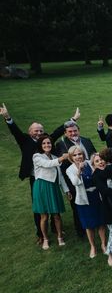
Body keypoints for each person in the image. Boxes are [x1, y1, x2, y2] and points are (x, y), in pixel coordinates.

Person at [0, 103, 70, 244]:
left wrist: (72, 120)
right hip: (36, 179)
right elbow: (15, 131)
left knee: (53, 206)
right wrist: (7, 117)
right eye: (36, 131)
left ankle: (55, 229)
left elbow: (56, 133)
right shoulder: (24, 140)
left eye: (41, 131)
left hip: (52, 177)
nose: (39, 133)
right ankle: (40, 234)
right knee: (39, 207)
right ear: (30, 131)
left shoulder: (46, 141)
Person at [66, 148, 107, 258]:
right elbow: (75, 182)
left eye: (80, 154)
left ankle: (104, 244)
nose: (78, 156)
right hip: (84, 200)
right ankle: (93, 246)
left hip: (97, 196)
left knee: (101, 222)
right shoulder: (70, 169)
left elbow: (102, 168)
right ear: (71, 157)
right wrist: (79, 171)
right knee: (89, 225)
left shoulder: (90, 162)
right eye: (75, 155)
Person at [32, 134, 70, 249]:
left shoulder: (54, 156)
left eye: (48, 143)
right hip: (42, 187)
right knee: (44, 216)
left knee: (56, 215)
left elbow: (60, 176)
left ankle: (60, 237)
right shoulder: (37, 156)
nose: (47, 145)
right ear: (40, 145)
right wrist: (62, 158)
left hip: (54, 187)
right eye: (44, 143)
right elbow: (47, 164)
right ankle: (45, 239)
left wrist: (66, 190)